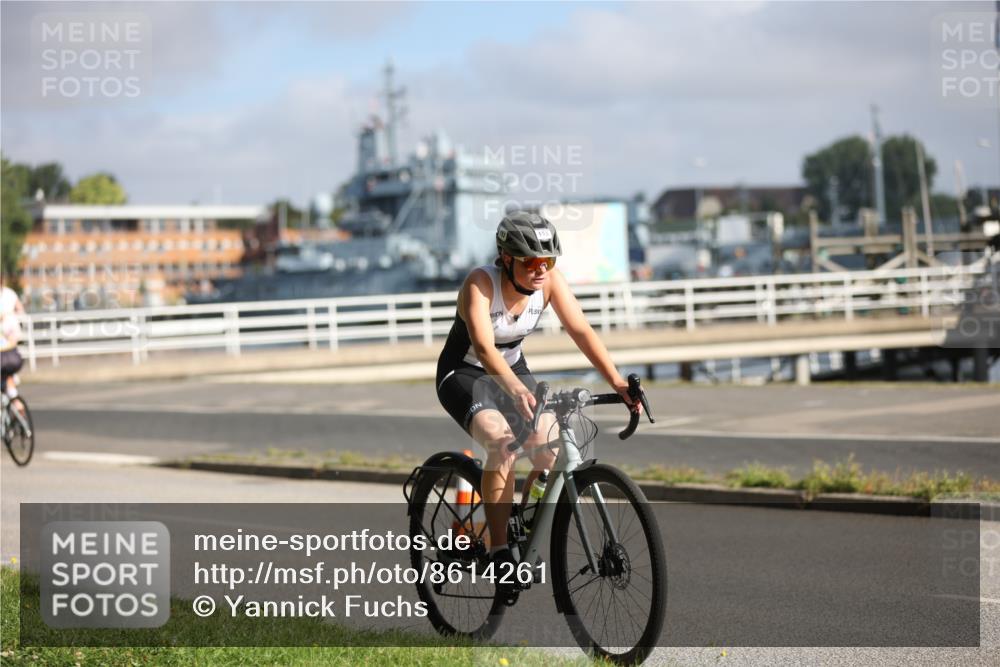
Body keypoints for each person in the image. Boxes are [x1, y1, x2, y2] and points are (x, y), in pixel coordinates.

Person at [435, 211, 639, 589]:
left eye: (548, 261)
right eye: (531, 262)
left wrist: (615, 379)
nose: (541, 270)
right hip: (464, 372)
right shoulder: (480, 284)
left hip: (512, 369)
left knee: (547, 447)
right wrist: (515, 389)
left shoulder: (548, 283)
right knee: (502, 444)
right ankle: (499, 552)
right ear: (507, 259)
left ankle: (526, 516)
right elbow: (482, 347)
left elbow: (579, 328)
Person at [0, 276, 26, 407]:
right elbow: (20, 310)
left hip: (5, 353)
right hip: (13, 351)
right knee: (8, 377)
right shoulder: (10, 293)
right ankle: (16, 404)